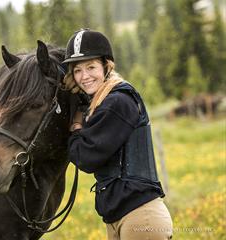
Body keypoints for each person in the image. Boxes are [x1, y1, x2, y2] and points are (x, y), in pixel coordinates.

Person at [63, 29, 173, 240]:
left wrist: (76, 125)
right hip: (122, 217)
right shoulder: (105, 101)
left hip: (140, 217)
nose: (84, 76)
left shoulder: (116, 102)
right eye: (77, 70)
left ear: (106, 66)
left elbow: (86, 157)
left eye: (91, 67)